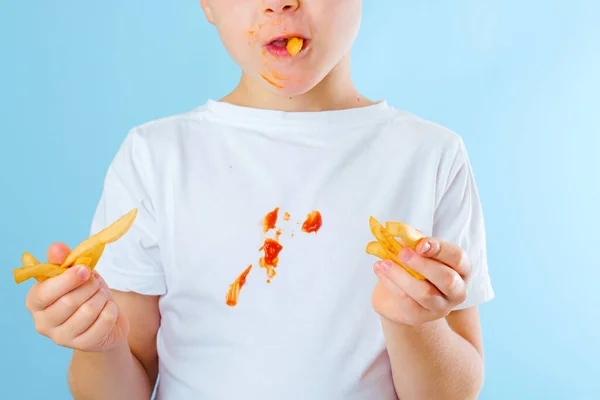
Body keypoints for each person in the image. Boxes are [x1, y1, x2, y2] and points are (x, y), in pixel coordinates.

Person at [24, 1, 494, 399]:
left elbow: (454, 391)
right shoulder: (155, 156)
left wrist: (417, 324)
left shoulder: (430, 155)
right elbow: (121, 385)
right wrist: (99, 344)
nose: (281, 3)